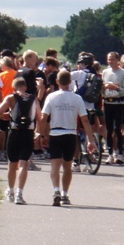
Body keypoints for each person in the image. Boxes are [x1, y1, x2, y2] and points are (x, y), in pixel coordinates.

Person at [39, 69, 97, 206]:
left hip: (55, 133)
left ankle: (56, 190)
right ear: (70, 82)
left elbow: (43, 117)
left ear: (57, 82)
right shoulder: (77, 99)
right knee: (67, 166)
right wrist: (91, 140)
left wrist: (41, 135)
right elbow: (85, 121)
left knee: (55, 165)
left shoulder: (51, 97)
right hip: (71, 134)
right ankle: (65, 194)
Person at [0, 76, 41, 205]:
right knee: (23, 164)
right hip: (28, 133)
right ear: (25, 87)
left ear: (14, 87)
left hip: (14, 132)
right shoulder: (34, 99)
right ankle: (19, 194)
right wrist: (38, 132)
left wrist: (4, 116)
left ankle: (10, 191)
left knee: (12, 163)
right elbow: (40, 116)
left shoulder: (11, 98)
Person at [101, 52, 124, 165]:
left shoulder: (123, 73)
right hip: (108, 102)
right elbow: (102, 88)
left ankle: (120, 154)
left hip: (119, 103)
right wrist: (104, 87)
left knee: (117, 128)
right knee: (109, 130)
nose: (110, 61)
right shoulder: (105, 72)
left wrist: (117, 88)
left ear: (117, 60)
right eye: (109, 59)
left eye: (112, 59)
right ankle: (110, 154)